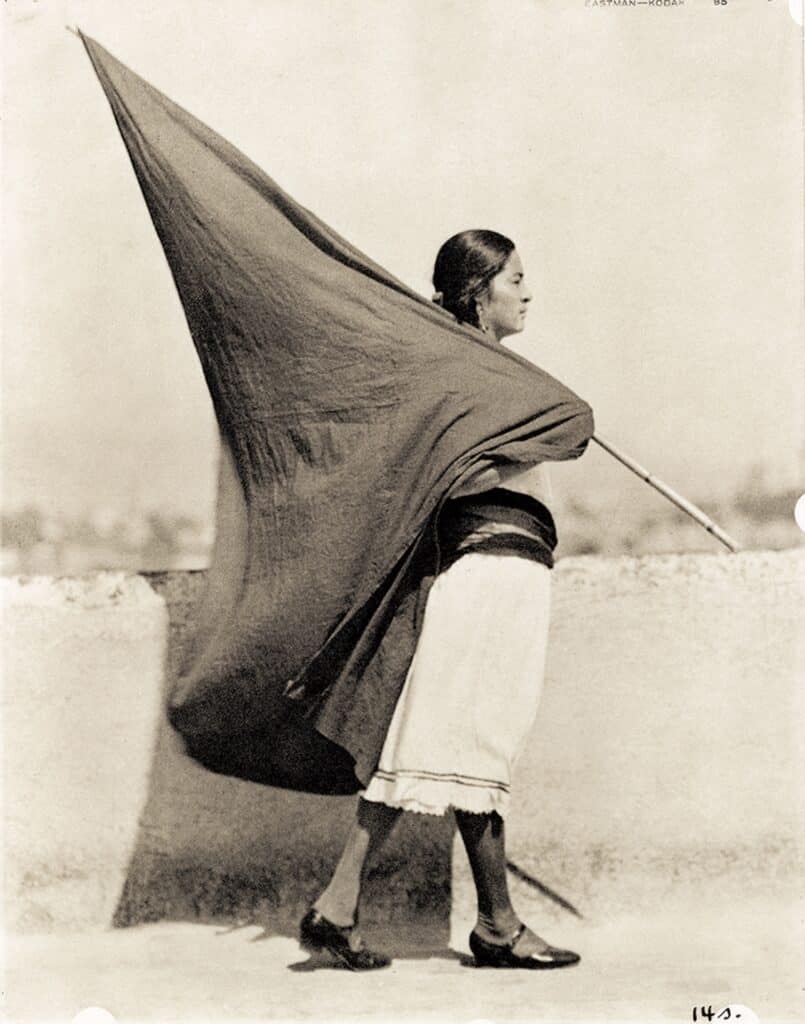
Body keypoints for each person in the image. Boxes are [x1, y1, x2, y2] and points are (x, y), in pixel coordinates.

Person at [299, 230, 582, 971]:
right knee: (455, 745)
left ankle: (468, 920)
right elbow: (442, 477)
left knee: (448, 749)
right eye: (515, 279)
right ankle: (462, 922)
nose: (526, 293)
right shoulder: (459, 379)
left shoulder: (489, 373)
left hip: (504, 573)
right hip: (485, 575)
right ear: (477, 292)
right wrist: (528, 437)